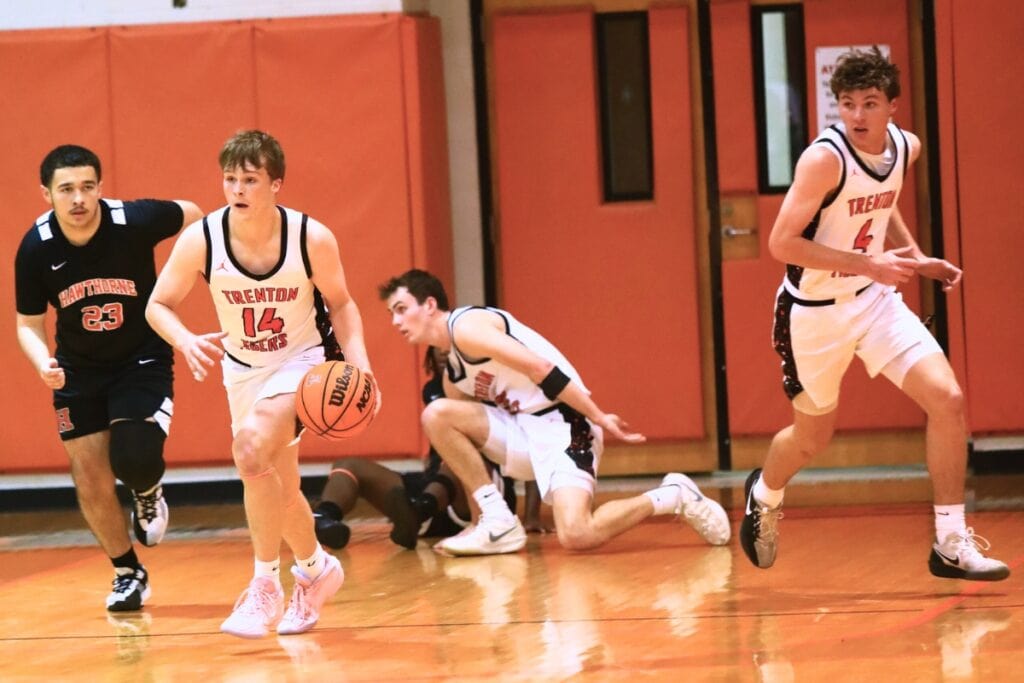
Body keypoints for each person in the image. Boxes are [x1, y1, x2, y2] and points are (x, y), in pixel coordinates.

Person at [741, 48, 1009, 581]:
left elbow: (881, 203)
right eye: (846, 104)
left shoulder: (905, 148)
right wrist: (869, 261)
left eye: (869, 103)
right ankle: (764, 494)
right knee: (813, 439)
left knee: (948, 399)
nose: (858, 116)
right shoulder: (824, 160)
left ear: (893, 107)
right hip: (814, 313)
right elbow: (781, 243)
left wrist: (912, 256)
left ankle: (950, 540)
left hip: (874, 299)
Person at [146, 130, 377, 638]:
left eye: (249, 179)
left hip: (303, 362)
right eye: (230, 179)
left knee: (249, 451)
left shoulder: (310, 237)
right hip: (243, 371)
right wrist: (184, 340)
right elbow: (157, 305)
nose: (237, 189)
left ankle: (264, 585)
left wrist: (360, 366)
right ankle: (317, 570)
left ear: (276, 184)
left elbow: (340, 304)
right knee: (282, 488)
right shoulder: (202, 238)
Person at [379, 269, 731, 556]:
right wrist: (478, 518)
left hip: (564, 421)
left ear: (429, 305)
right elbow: (472, 452)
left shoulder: (466, 327)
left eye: (400, 308)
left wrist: (598, 415)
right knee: (438, 414)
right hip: (522, 431)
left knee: (577, 534)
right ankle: (495, 522)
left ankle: (674, 496)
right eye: (391, 313)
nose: (395, 321)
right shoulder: (453, 373)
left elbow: (540, 367)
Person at [14, 144, 202, 611]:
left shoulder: (133, 221)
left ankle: (147, 491)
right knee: (90, 475)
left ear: (100, 186)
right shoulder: (36, 247)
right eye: (66, 189)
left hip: (141, 356)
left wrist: (182, 279)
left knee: (133, 456)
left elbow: (196, 215)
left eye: (87, 187)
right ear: (46, 194)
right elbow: (27, 323)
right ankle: (127, 571)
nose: (78, 198)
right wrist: (42, 362)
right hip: (78, 368)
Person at [313, 347, 531, 550]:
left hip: (482, 494)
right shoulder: (433, 389)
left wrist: (532, 516)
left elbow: (540, 449)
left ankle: (419, 512)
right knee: (347, 466)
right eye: (440, 348)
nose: (445, 353)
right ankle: (323, 519)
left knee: (454, 456)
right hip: (436, 487)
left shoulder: (498, 390)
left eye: (452, 349)